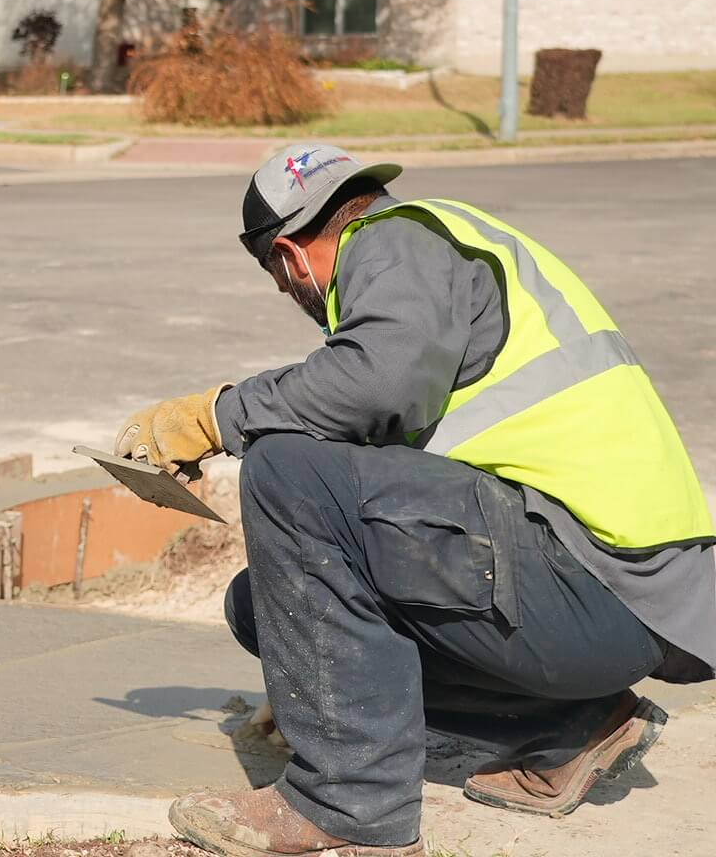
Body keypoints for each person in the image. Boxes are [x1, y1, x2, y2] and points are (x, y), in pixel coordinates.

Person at [115, 145, 714, 857]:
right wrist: (320, 681)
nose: (286, 293)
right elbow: (388, 449)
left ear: (288, 255)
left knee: (283, 467)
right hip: (610, 600)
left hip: (595, 581)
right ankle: (578, 724)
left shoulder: (395, 240)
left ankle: (345, 803)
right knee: (261, 608)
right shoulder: (447, 247)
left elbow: (373, 385)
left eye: (276, 276)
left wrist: (218, 416)